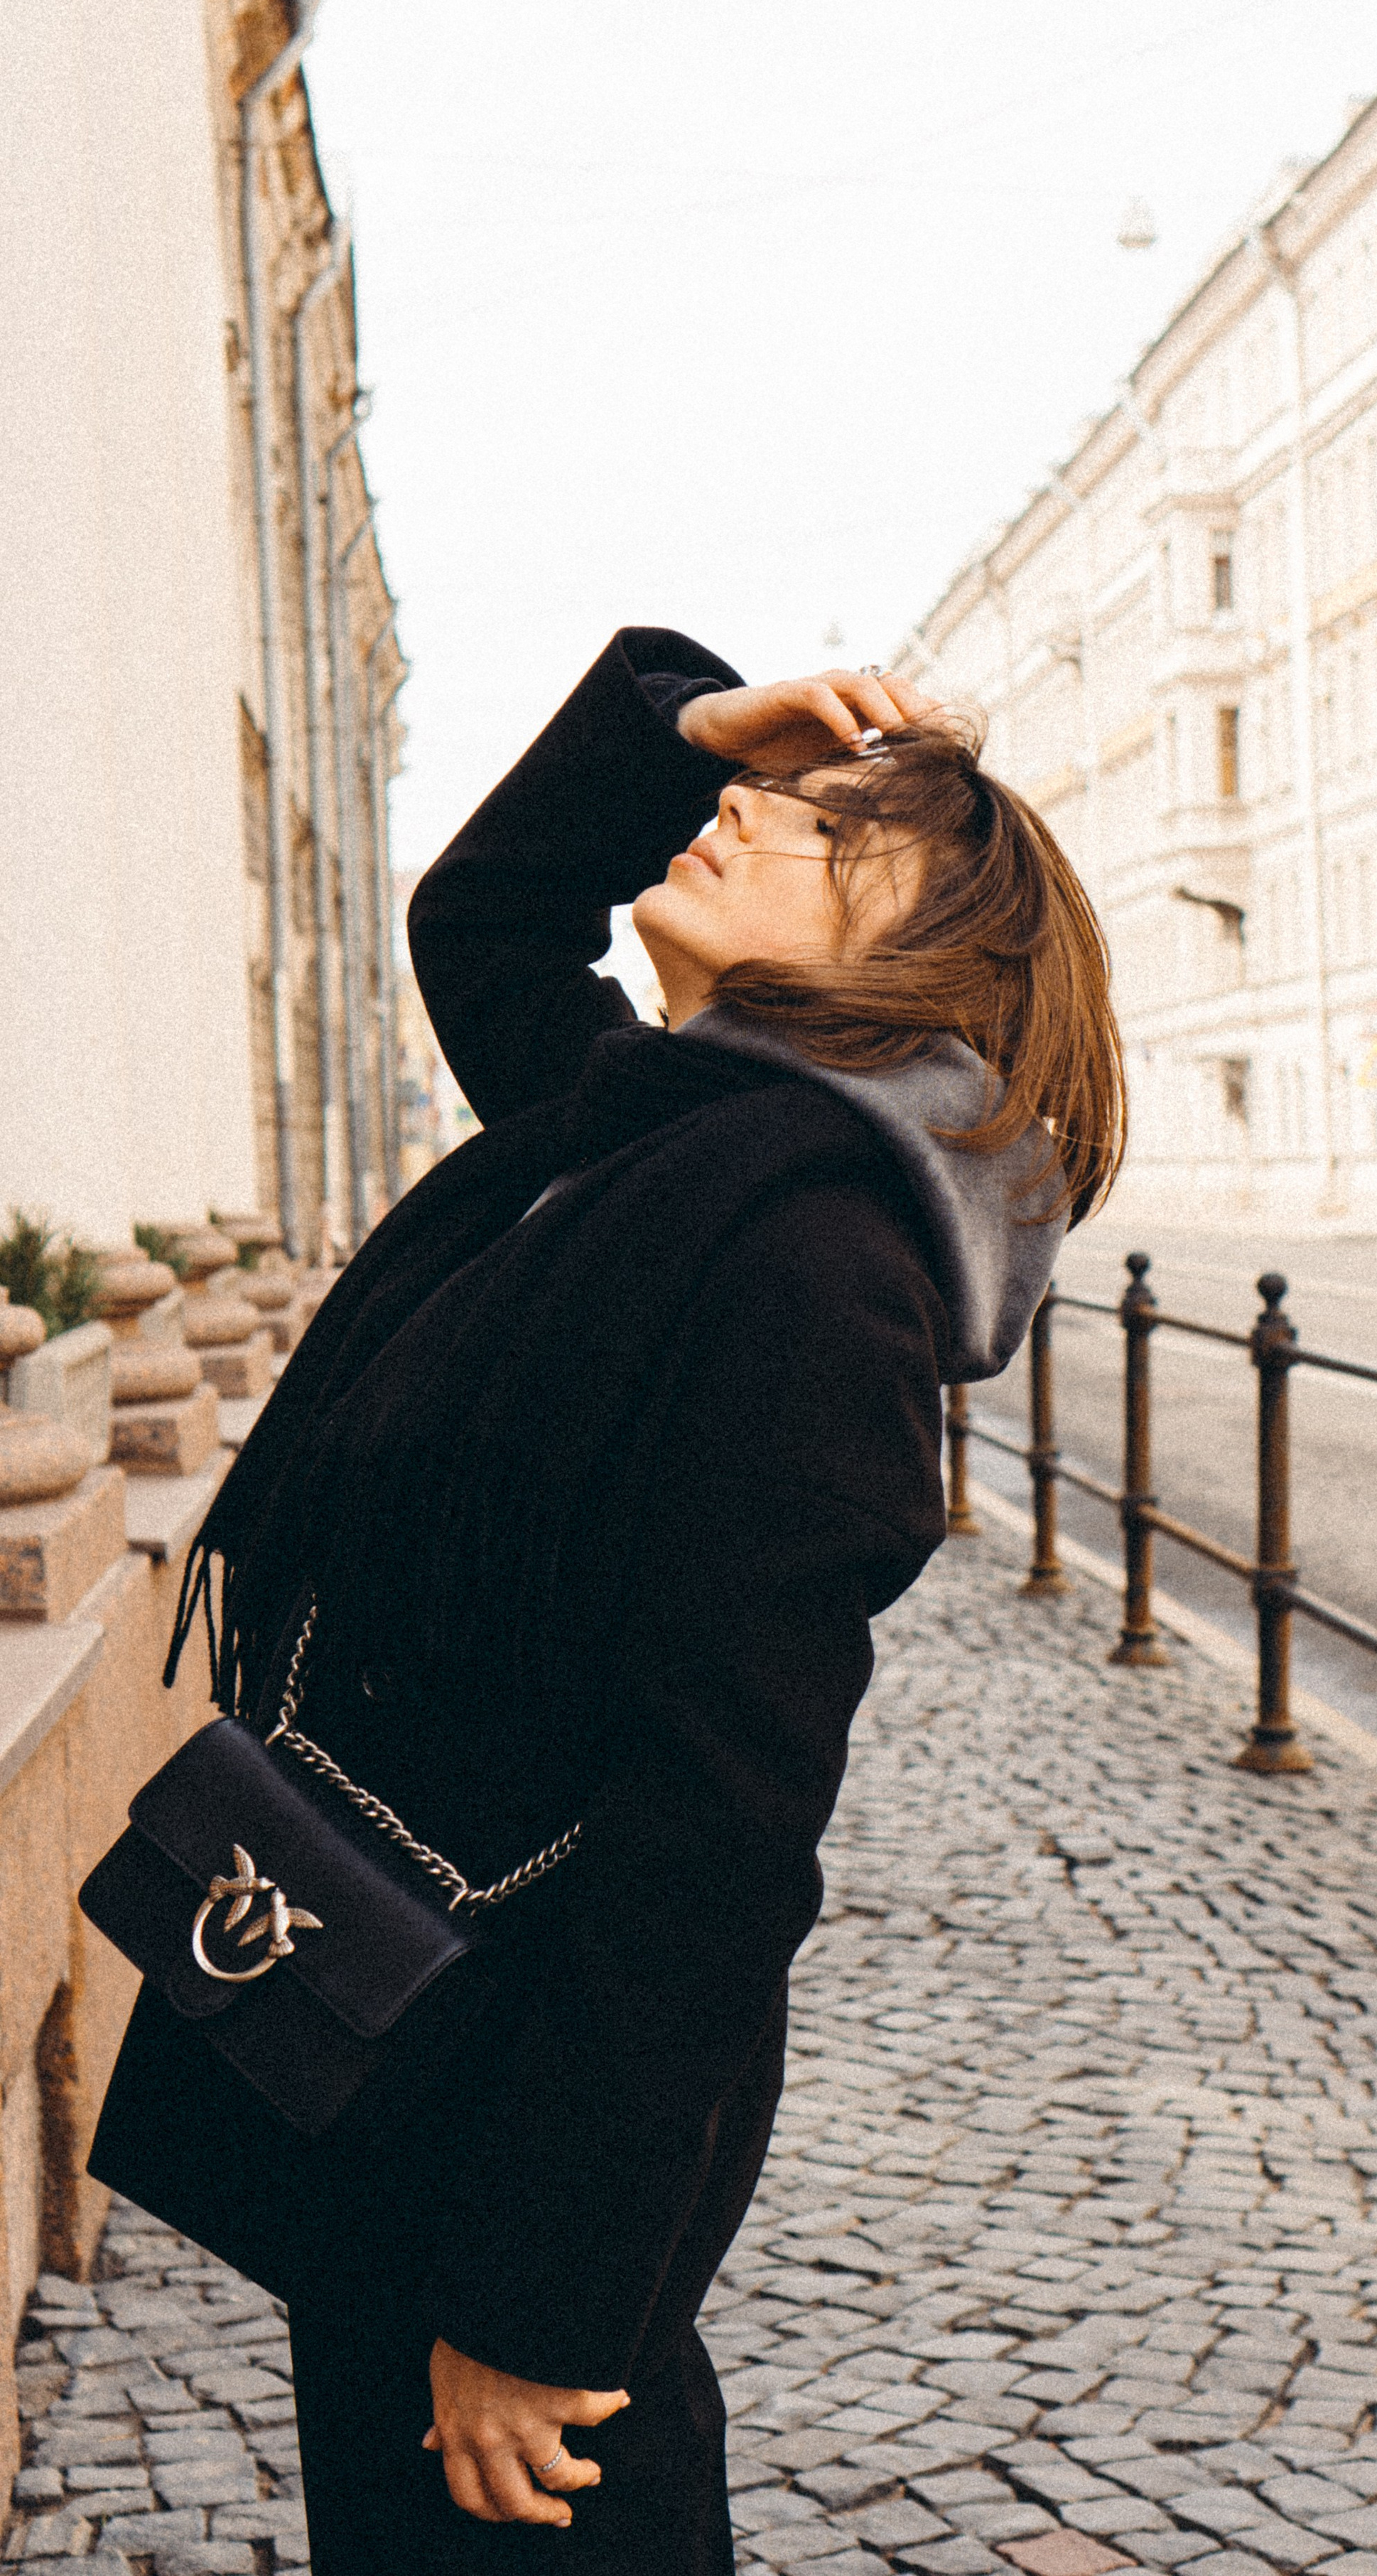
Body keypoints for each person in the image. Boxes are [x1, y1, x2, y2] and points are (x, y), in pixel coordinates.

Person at [85, 628, 1125, 2575]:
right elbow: (485, 918)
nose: (751, 807)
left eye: (828, 827)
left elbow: (716, 1849)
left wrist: (545, 2307)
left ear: (916, 964)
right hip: (398, 2062)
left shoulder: (811, 1265)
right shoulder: (643, 1137)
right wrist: (691, 721)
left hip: (517, 2147)